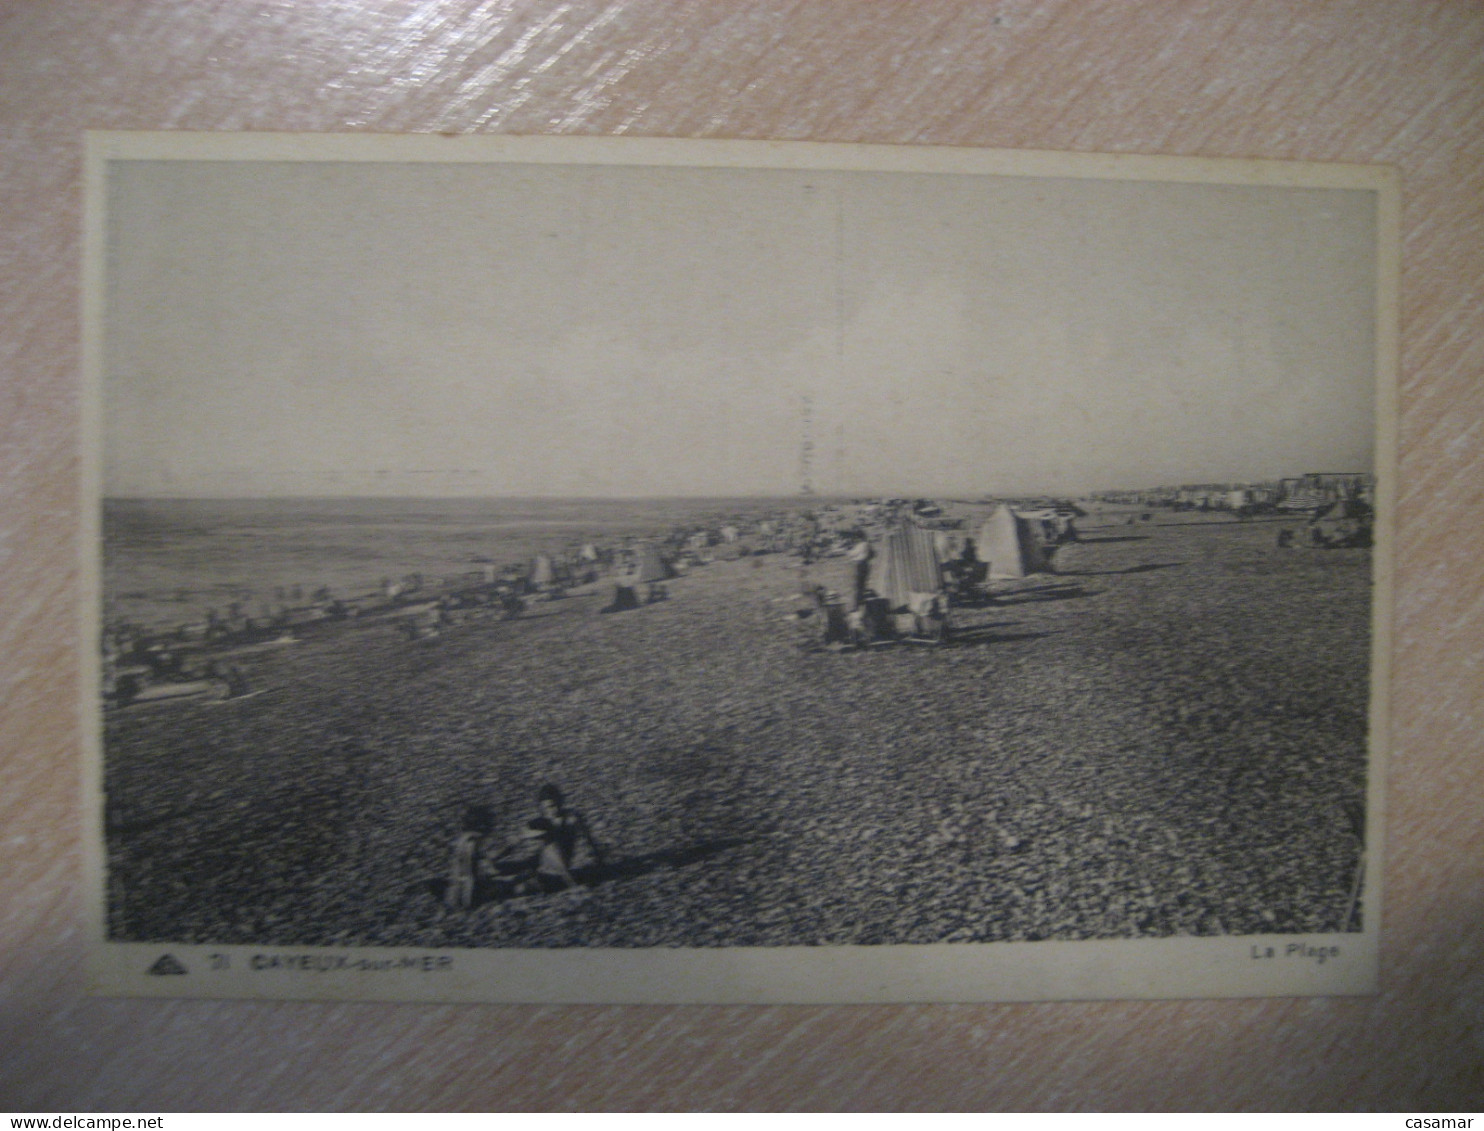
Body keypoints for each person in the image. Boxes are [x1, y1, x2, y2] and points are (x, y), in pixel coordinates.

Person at [492, 784, 605, 895]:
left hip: (548, 870)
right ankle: (494, 871)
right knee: (497, 870)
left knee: (516, 888)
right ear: (541, 808)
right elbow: (516, 840)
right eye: (546, 808)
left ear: (560, 802)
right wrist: (497, 856)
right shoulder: (540, 823)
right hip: (539, 864)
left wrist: (599, 860)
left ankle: (508, 879)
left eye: (553, 805)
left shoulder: (572, 817)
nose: (551, 810)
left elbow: (588, 840)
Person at [446, 805, 495, 911]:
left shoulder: (461, 840)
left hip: (455, 888)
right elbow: (487, 861)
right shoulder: (476, 840)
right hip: (470, 888)